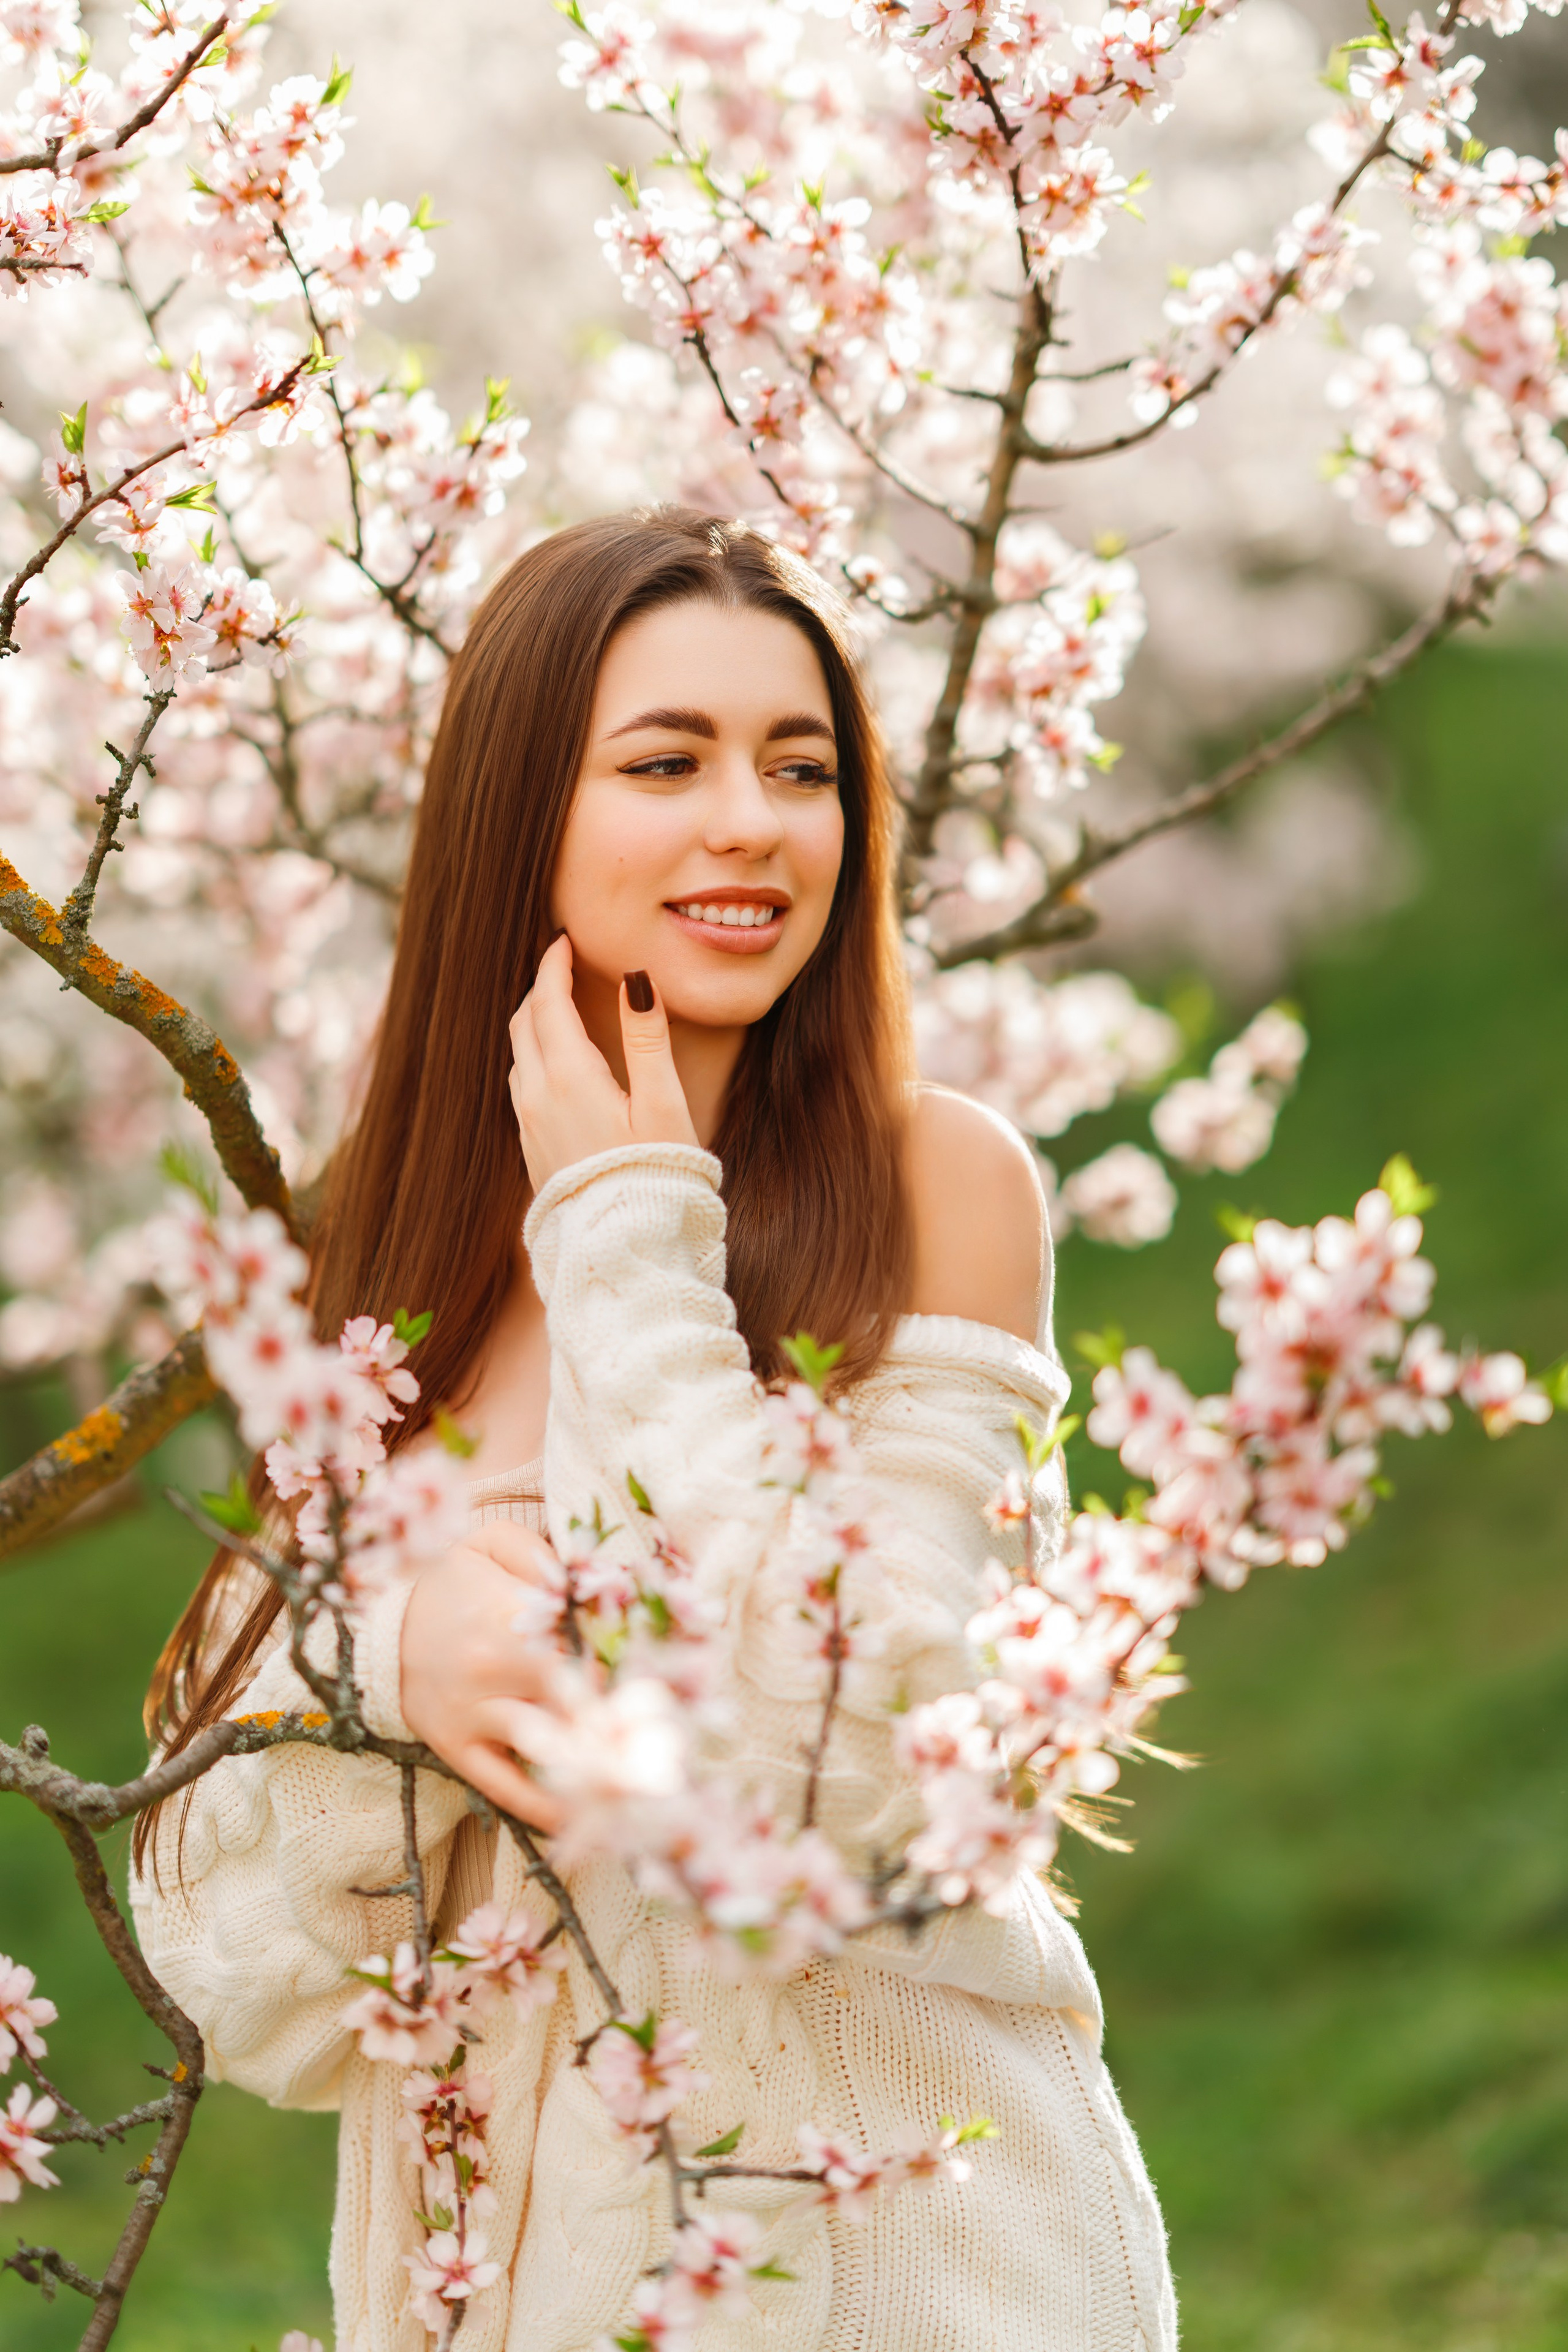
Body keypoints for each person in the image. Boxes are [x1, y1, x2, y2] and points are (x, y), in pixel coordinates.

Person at [132, 508, 1176, 2352]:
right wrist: (398, 1655)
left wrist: (632, 1241)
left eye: (802, 767)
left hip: (907, 2267)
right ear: (523, 811)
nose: (751, 823)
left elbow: (851, 1772)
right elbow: (246, 1982)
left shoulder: (939, 1189)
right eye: (666, 762)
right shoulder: (384, 1250)